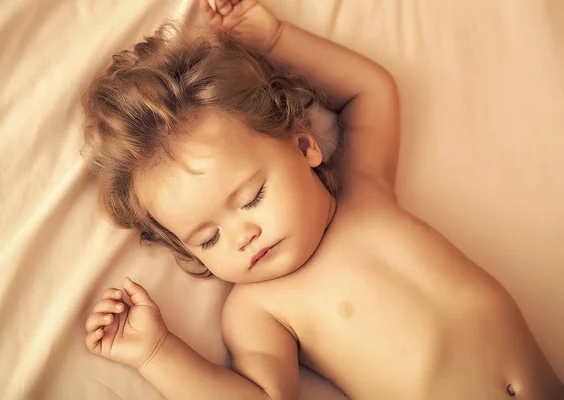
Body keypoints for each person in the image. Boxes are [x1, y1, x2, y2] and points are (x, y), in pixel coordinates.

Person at [82, 0, 564, 398]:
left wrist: (274, 42)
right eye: (208, 240)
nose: (243, 236)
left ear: (305, 145)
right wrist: (157, 354)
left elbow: (370, 90)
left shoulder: (363, 190)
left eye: (252, 198)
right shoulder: (259, 308)